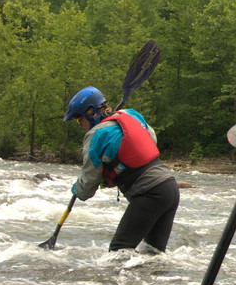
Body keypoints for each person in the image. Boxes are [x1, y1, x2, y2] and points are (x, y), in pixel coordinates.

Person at [63, 86, 179, 252]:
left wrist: (76, 189)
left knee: (119, 252)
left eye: (79, 119)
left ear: (90, 112)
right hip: (169, 188)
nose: (80, 124)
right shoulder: (130, 114)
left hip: (149, 194)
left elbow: (87, 186)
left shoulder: (95, 135)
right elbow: (151, 139)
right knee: (153, 255)